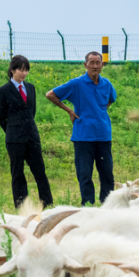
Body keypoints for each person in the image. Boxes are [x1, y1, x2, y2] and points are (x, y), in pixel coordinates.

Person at [46, 52, 116, 205]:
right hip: (83, 137)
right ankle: (88, 207)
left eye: (98, 62)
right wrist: (69, 110)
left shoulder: (107, 84)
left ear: (102, 65)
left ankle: (107, 207)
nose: (95, 66)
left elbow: (111, 99)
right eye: (92, 62)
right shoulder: (76, 84)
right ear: (85, 65)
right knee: (85, 175)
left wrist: (100, 110)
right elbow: (50, 95)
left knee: (107, 175)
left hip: (103, 136)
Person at [0, 55, 54, 209]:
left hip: (32, 136)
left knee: (40, 171)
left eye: (26, 70)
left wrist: (27, 128)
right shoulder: (3, 91)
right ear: (12, 70)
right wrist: (12, 130)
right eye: (21, 70)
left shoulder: (31, 88)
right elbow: (0, 116)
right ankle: (22, 206)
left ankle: (47, 203)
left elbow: (32, 111)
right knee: (18, 173)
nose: (24, 73)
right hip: (15, 139)